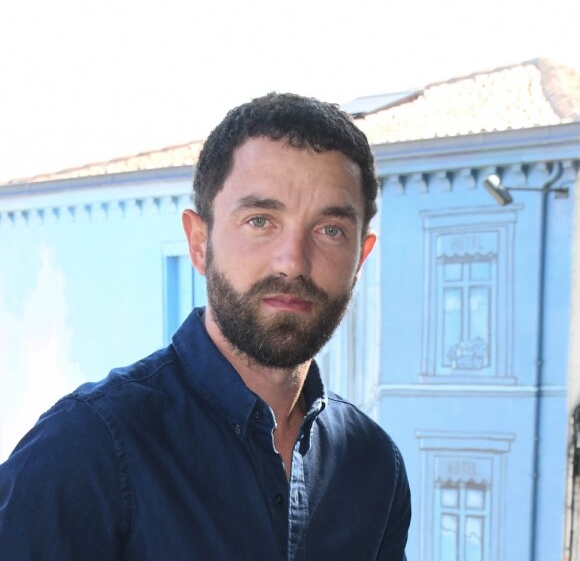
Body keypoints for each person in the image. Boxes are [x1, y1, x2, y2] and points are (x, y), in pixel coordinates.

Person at [0, 93, 411, 559]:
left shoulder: (375, 466)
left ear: (362, 257)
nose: (293, 262)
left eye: (330, 229)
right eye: (261, 220)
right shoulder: (84, 448)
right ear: (199, 243)